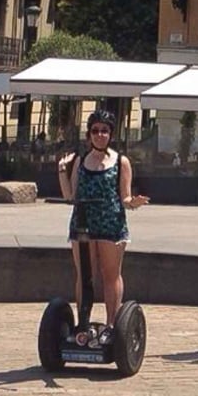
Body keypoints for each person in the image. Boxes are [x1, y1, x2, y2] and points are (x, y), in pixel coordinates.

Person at [65, 109, 148, 342]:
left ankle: (112, 326)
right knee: (85, 275)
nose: (100, 135)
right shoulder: (80, 160)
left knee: (110, 275)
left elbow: (125, 197)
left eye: (104, 131)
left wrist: (135, 203)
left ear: (111, 134)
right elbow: (71, 194)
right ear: (89, 134)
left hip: (111, 224)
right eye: (95, 130)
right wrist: (62, 170)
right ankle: (83, 324)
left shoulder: (121, 162)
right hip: (83, 224)